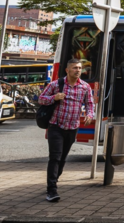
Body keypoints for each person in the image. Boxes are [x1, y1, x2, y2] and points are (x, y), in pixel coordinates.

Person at [37, 58, 95, 203]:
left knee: (63, 158)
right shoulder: (56, 85)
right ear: (67, 70)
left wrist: (89, 115)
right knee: (55, 157)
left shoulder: (85, 87)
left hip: (72, 127)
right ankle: (51, 190)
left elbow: (90, 104)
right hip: (55, 126)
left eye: (80, 68)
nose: (78, 70)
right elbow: (41, 99)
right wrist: (54, 98)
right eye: (75, 68)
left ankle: (54, 179)